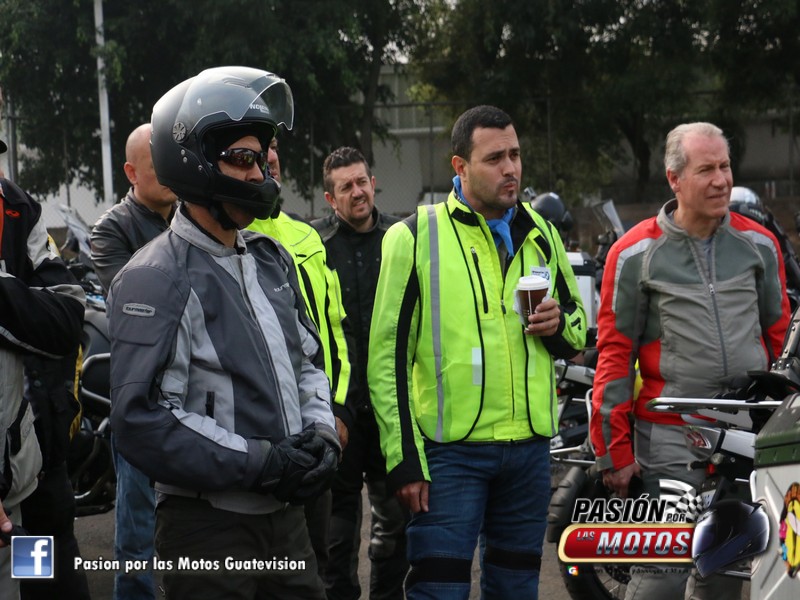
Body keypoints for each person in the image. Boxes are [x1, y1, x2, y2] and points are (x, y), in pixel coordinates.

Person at [107, 66, 339, 600]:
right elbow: (142, 418)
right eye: (241, 158)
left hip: (287, 519)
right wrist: (261, 462)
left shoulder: (271, 258)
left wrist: (322, 435)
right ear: (192, 162)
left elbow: (306, 364)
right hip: (208, 526)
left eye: (260, 158)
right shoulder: (155, 276)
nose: (258, 175)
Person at [368, 106, 587, 599]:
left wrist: (557, 327)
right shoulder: (414, 236)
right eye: (494, 158)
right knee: (439, 590)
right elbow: (386, 362)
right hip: (451, 456)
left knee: (516, 589)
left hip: (529, 452)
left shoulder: (542, 233)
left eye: (515, 155)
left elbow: (578, 332)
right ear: (460, 167)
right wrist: (404, 459)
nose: (510, 168)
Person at [590, 122, 791, 600]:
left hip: (744, 435)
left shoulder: (760, 244)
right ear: (674, 179)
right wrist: (614, 451)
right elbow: (615, 356)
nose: (721, 180)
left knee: (724, 574)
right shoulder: (634, 254)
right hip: (670, 437)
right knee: (661, 578)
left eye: (725, 167)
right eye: (706, 170)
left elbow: (781, 340)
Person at [247, 137, 352, 578]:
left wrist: (337, 408)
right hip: (257, 440)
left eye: (272, 146)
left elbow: (333, 332)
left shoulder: (307, 236)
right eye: (256, 148)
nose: (269, 157)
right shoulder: (226, 237)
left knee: (315, 563)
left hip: (315, 425)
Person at [311, 146, 408, 600]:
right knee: (337, 532)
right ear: (330, 199)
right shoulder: (315, 246)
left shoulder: (400, 239)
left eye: (362, 181)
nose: (357, 192)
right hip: (339, 412)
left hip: (392, 409)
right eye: (346, 186)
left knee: (396, 527)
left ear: (373, 183)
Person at [90, 122, 178, 600]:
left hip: (193, 395)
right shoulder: (111, 230)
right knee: (137, 530)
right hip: (141, 397)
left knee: (191, 527)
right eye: (155, 165)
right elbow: (136, 307)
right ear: (130, 172)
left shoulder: (190, 217)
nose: (168, 172)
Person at [0, 140, 86, 599]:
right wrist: (24, 299)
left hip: (37, 465)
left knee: (50, 586)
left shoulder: (16, 207)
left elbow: (67, 317)